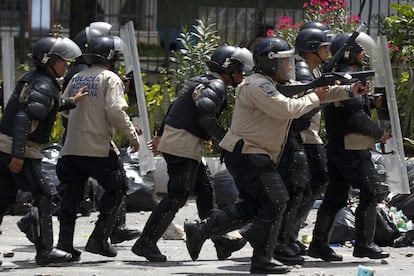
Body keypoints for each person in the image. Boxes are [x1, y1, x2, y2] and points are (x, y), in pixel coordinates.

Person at [183, 37, 330, 274]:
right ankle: (261, 260)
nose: (287, 66)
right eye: (282, 62)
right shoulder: (257, 85)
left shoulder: (270, 83)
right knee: (277, 201)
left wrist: (346, 90)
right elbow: (287, 110)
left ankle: (201, 230)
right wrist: (316, 97)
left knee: (255, 205)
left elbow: (315, 95)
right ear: (269, 63)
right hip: (247, 153)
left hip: (252, 153)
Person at [131, 45, 254, 262]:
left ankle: (218, 239)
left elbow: (174, 108)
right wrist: (228, 143)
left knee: (206, 192)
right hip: (183, 143)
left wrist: (161, 134)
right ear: (230, 67)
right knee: (178, 195)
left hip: (182, 140)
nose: (241, 76)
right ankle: (146, 242)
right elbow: (206, 118)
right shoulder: (215, 85)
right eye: (240, 70)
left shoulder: (202, 80)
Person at [0, 36, 88, 265]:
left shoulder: (35, 79)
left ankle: (36, 233)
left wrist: (71, 101)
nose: (66, 65)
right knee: (45, 196)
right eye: (63, 61)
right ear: (49, 60)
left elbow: (43, 107)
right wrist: (18, 154)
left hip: (5, 145)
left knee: (4, 198)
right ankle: (45, 251)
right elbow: (23, 118)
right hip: (21, 149)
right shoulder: (44, 84)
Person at [55, 35, 141, 260]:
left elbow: (65, 108)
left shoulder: (77, 77)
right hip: (98, 148)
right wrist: (132, 136)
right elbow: (115, 111)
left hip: (72, 147)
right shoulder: (110, 78)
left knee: (71, 194)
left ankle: (64, 245)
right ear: (111, 57)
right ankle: (99, 239)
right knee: (118, 187)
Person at [307, 32, 391, 261]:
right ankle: (364, 244)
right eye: (361, 50)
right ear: (350, 52)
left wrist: (371, 102)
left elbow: (353, 107)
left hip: (340, 146)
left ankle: (318, 244)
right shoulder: (345, 77)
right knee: (372, 191)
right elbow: (355, 117)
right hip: (350, 147)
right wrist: (380, 133)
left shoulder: (346, 75)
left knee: (335, 196)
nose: (364, 54)